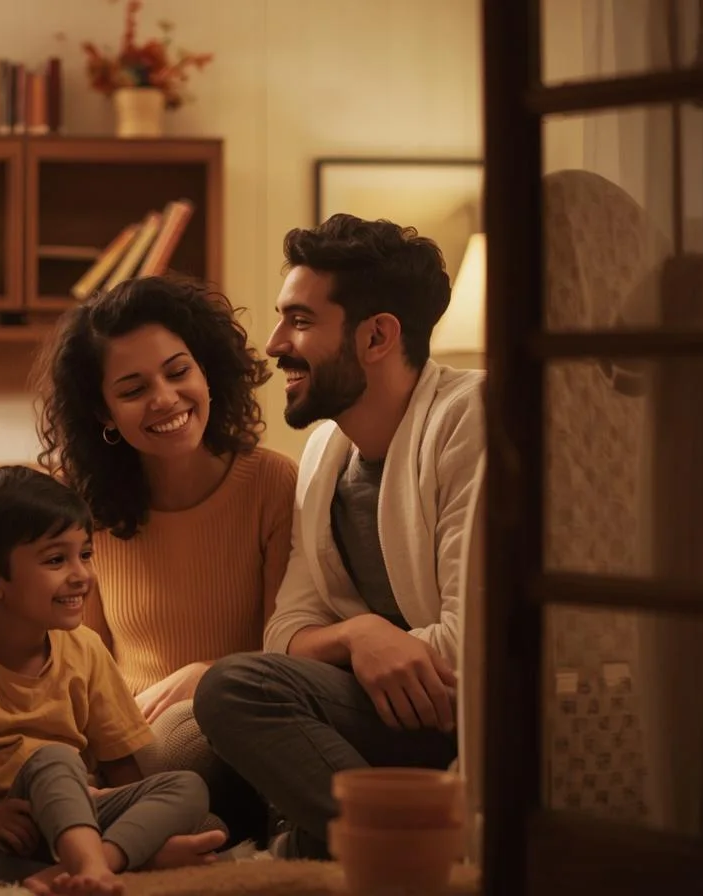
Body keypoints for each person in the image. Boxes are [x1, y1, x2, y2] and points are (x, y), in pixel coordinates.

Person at [194, 215, 486, 860]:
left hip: (466, 715)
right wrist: (361, 635)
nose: (273, 345)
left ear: (377, 335)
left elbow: (469, 650)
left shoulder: (471, 417)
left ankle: (392, 846)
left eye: (299, 321)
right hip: (386, 710)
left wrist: (364, 647)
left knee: (236, 688)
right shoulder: (327, 449)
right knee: (223, 720)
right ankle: (365, 838)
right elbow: (287, 630)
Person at [0, 466, 226, 893]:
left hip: (77, 810)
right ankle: (90, 867)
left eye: (85, 554)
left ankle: (97, 865)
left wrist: (101, 809)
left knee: (186, 788)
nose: (81, 574)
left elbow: (121, 770)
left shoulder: (87, 648)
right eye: (57, 559)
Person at [34, 276, 296, 838]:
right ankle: (139, 827)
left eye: (178, 372)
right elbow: (78, 663)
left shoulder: (272, 483)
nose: (165, 399)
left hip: (234, 722)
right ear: (103, 413)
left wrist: (208, 677)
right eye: (132, 390)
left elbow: (287, 654)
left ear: (206, 370)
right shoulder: (78, 504)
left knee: (188, 733)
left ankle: (110, 824)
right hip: (119, 731)